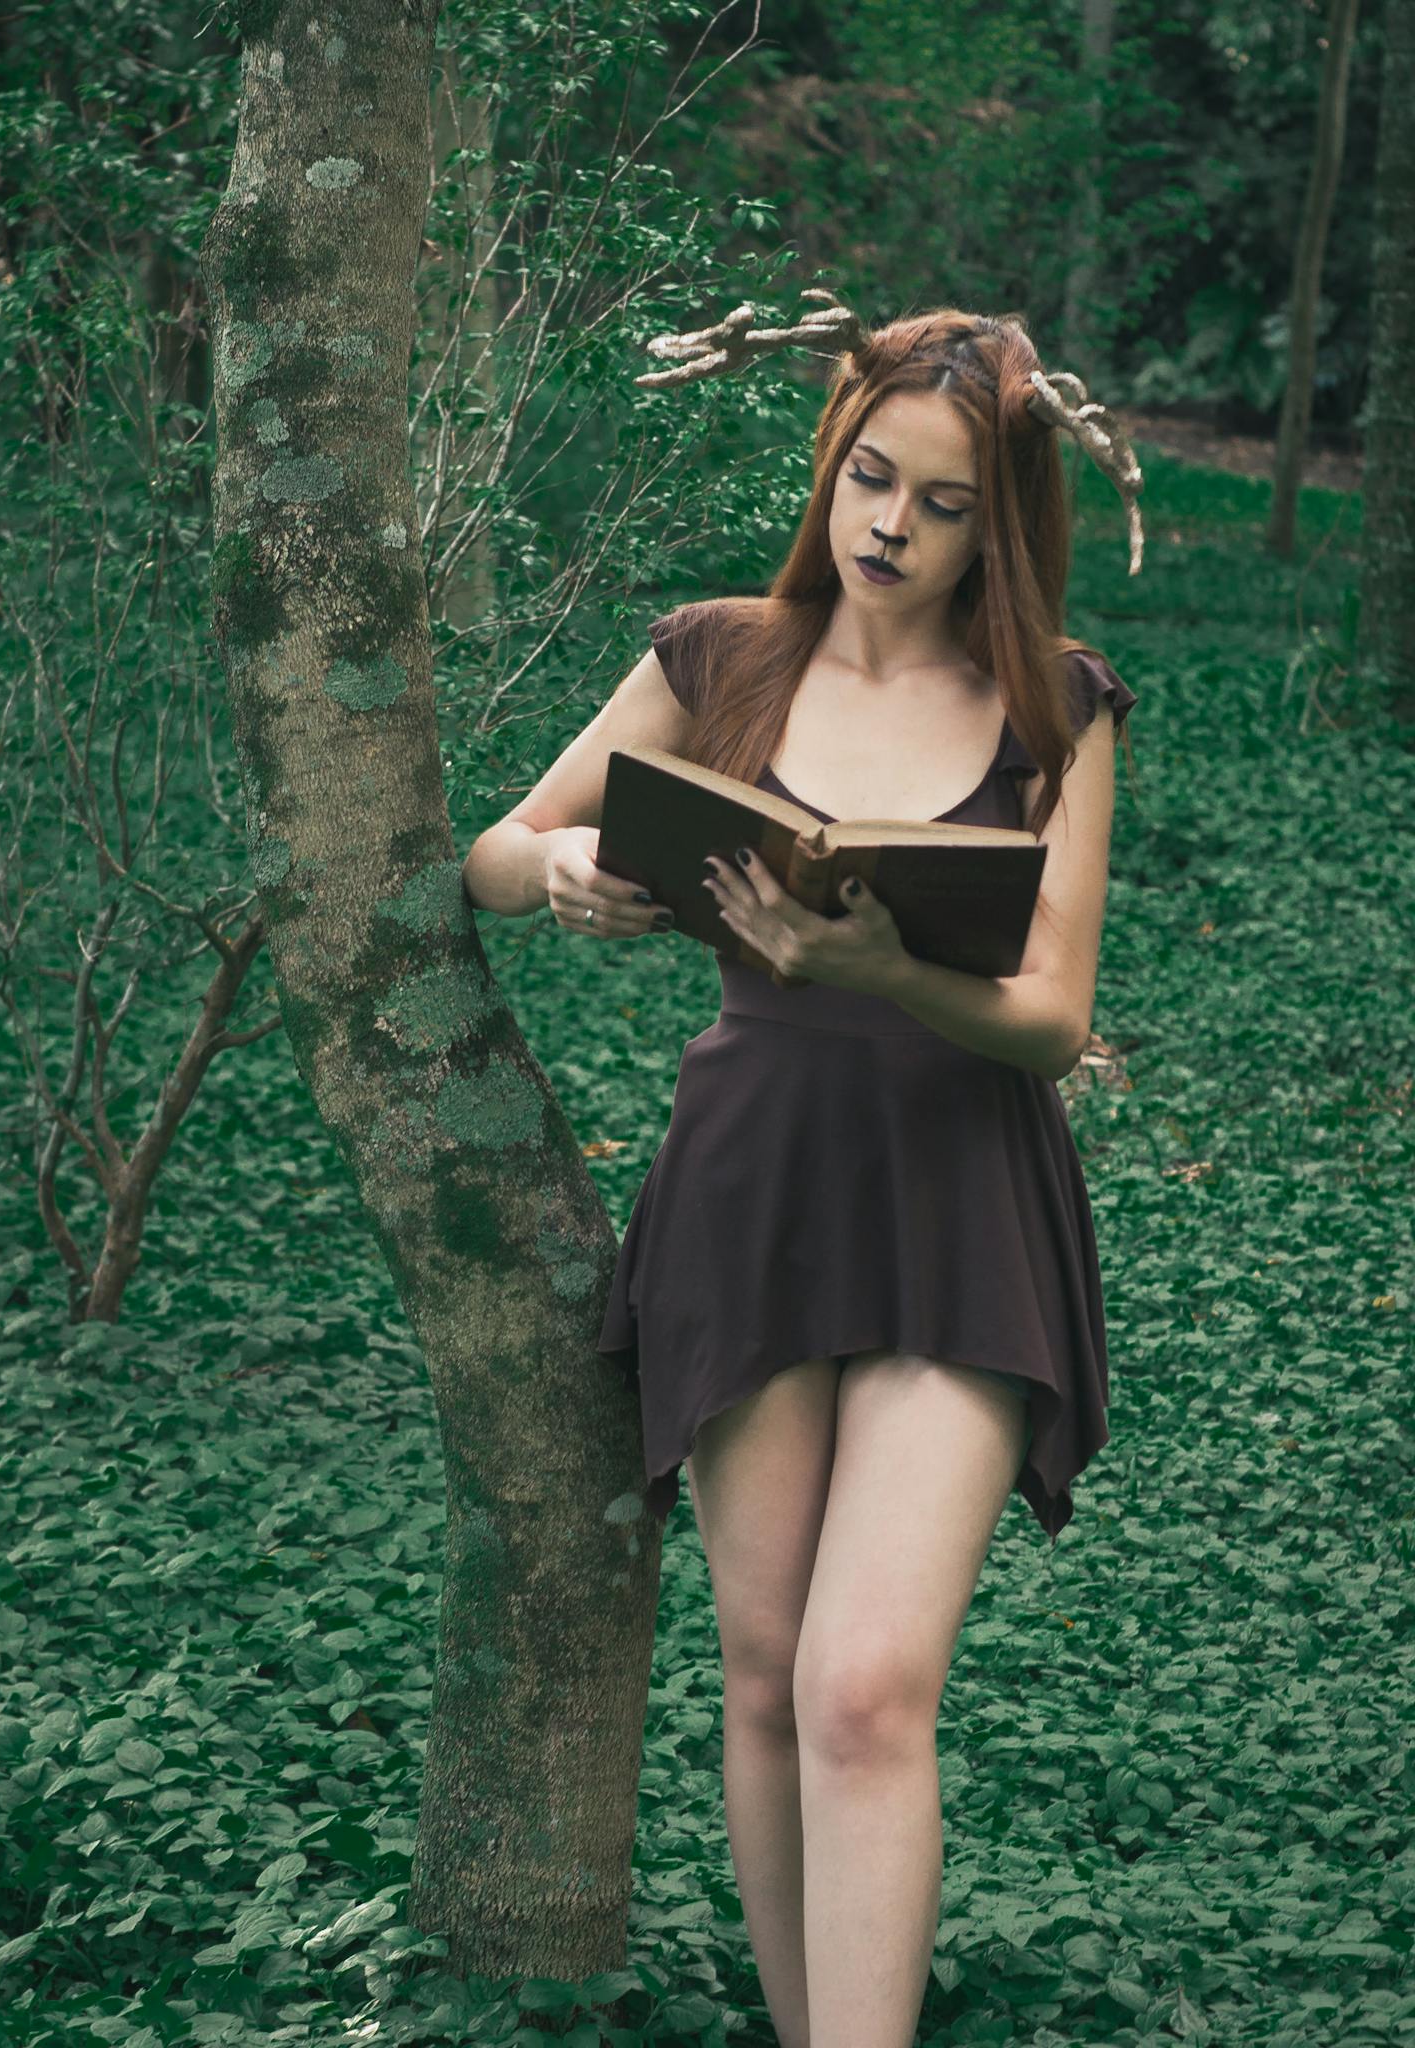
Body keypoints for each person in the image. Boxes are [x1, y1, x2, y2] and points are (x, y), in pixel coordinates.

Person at [461, 306, 1140, 2048]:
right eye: (869, 478)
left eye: (945, 500)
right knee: (763, 1680)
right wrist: (565, 879)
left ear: (1005, 520)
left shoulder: (1055, 707)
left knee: (863, 1684)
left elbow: (1054, 1019)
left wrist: (889, 976)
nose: (892, 526)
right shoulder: (721, 657)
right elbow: (495, 846)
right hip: (752, 1185)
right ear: (830, 469)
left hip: (958, 1196)